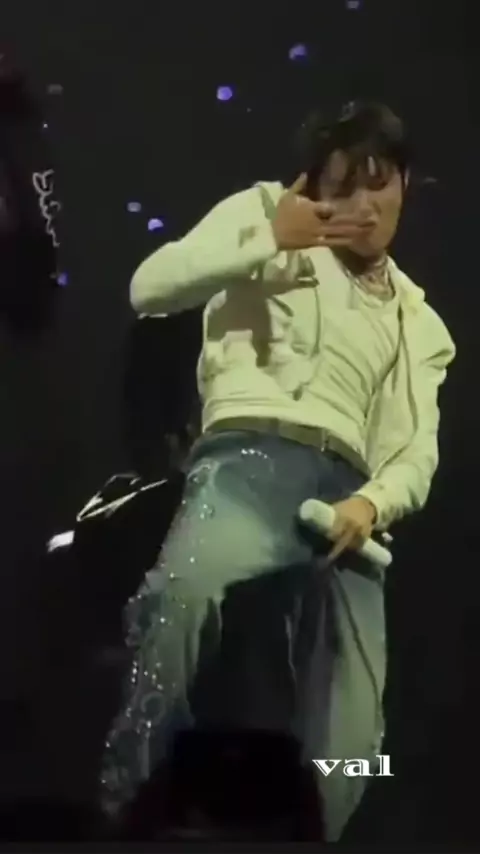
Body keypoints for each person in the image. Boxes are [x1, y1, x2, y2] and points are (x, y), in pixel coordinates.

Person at [99, 101, 455, 840]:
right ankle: (127, 802)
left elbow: (417, 449)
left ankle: (311, 834)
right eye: (343, 187)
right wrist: (269, 238)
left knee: (357, 738)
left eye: (379, 184)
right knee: (182, 597)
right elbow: (149, 288)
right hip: (253, 457)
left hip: (350, 502)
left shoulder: (421, 323)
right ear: (314, 186)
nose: (363, 207)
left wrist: (373, 503)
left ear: (405, 183)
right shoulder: (266, 213)